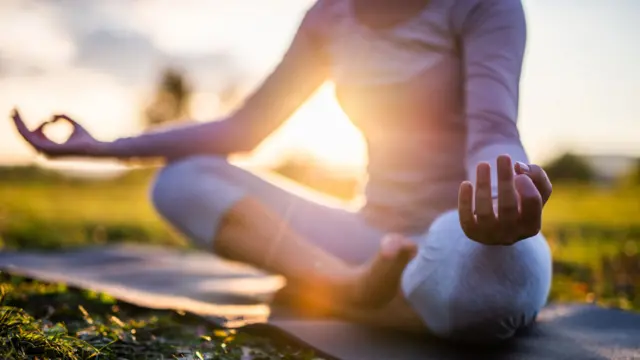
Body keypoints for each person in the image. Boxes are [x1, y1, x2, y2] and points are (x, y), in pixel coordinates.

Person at [11, 0, 553, 343]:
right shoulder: (329, 18)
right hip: (368, 240)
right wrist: (100, 147)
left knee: (493, 285)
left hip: (457, 236)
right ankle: (346, 288)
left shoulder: (484, 6)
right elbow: (243, 130)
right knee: (181, 180)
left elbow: (492, 131)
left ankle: (338, 290)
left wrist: (499, 195)